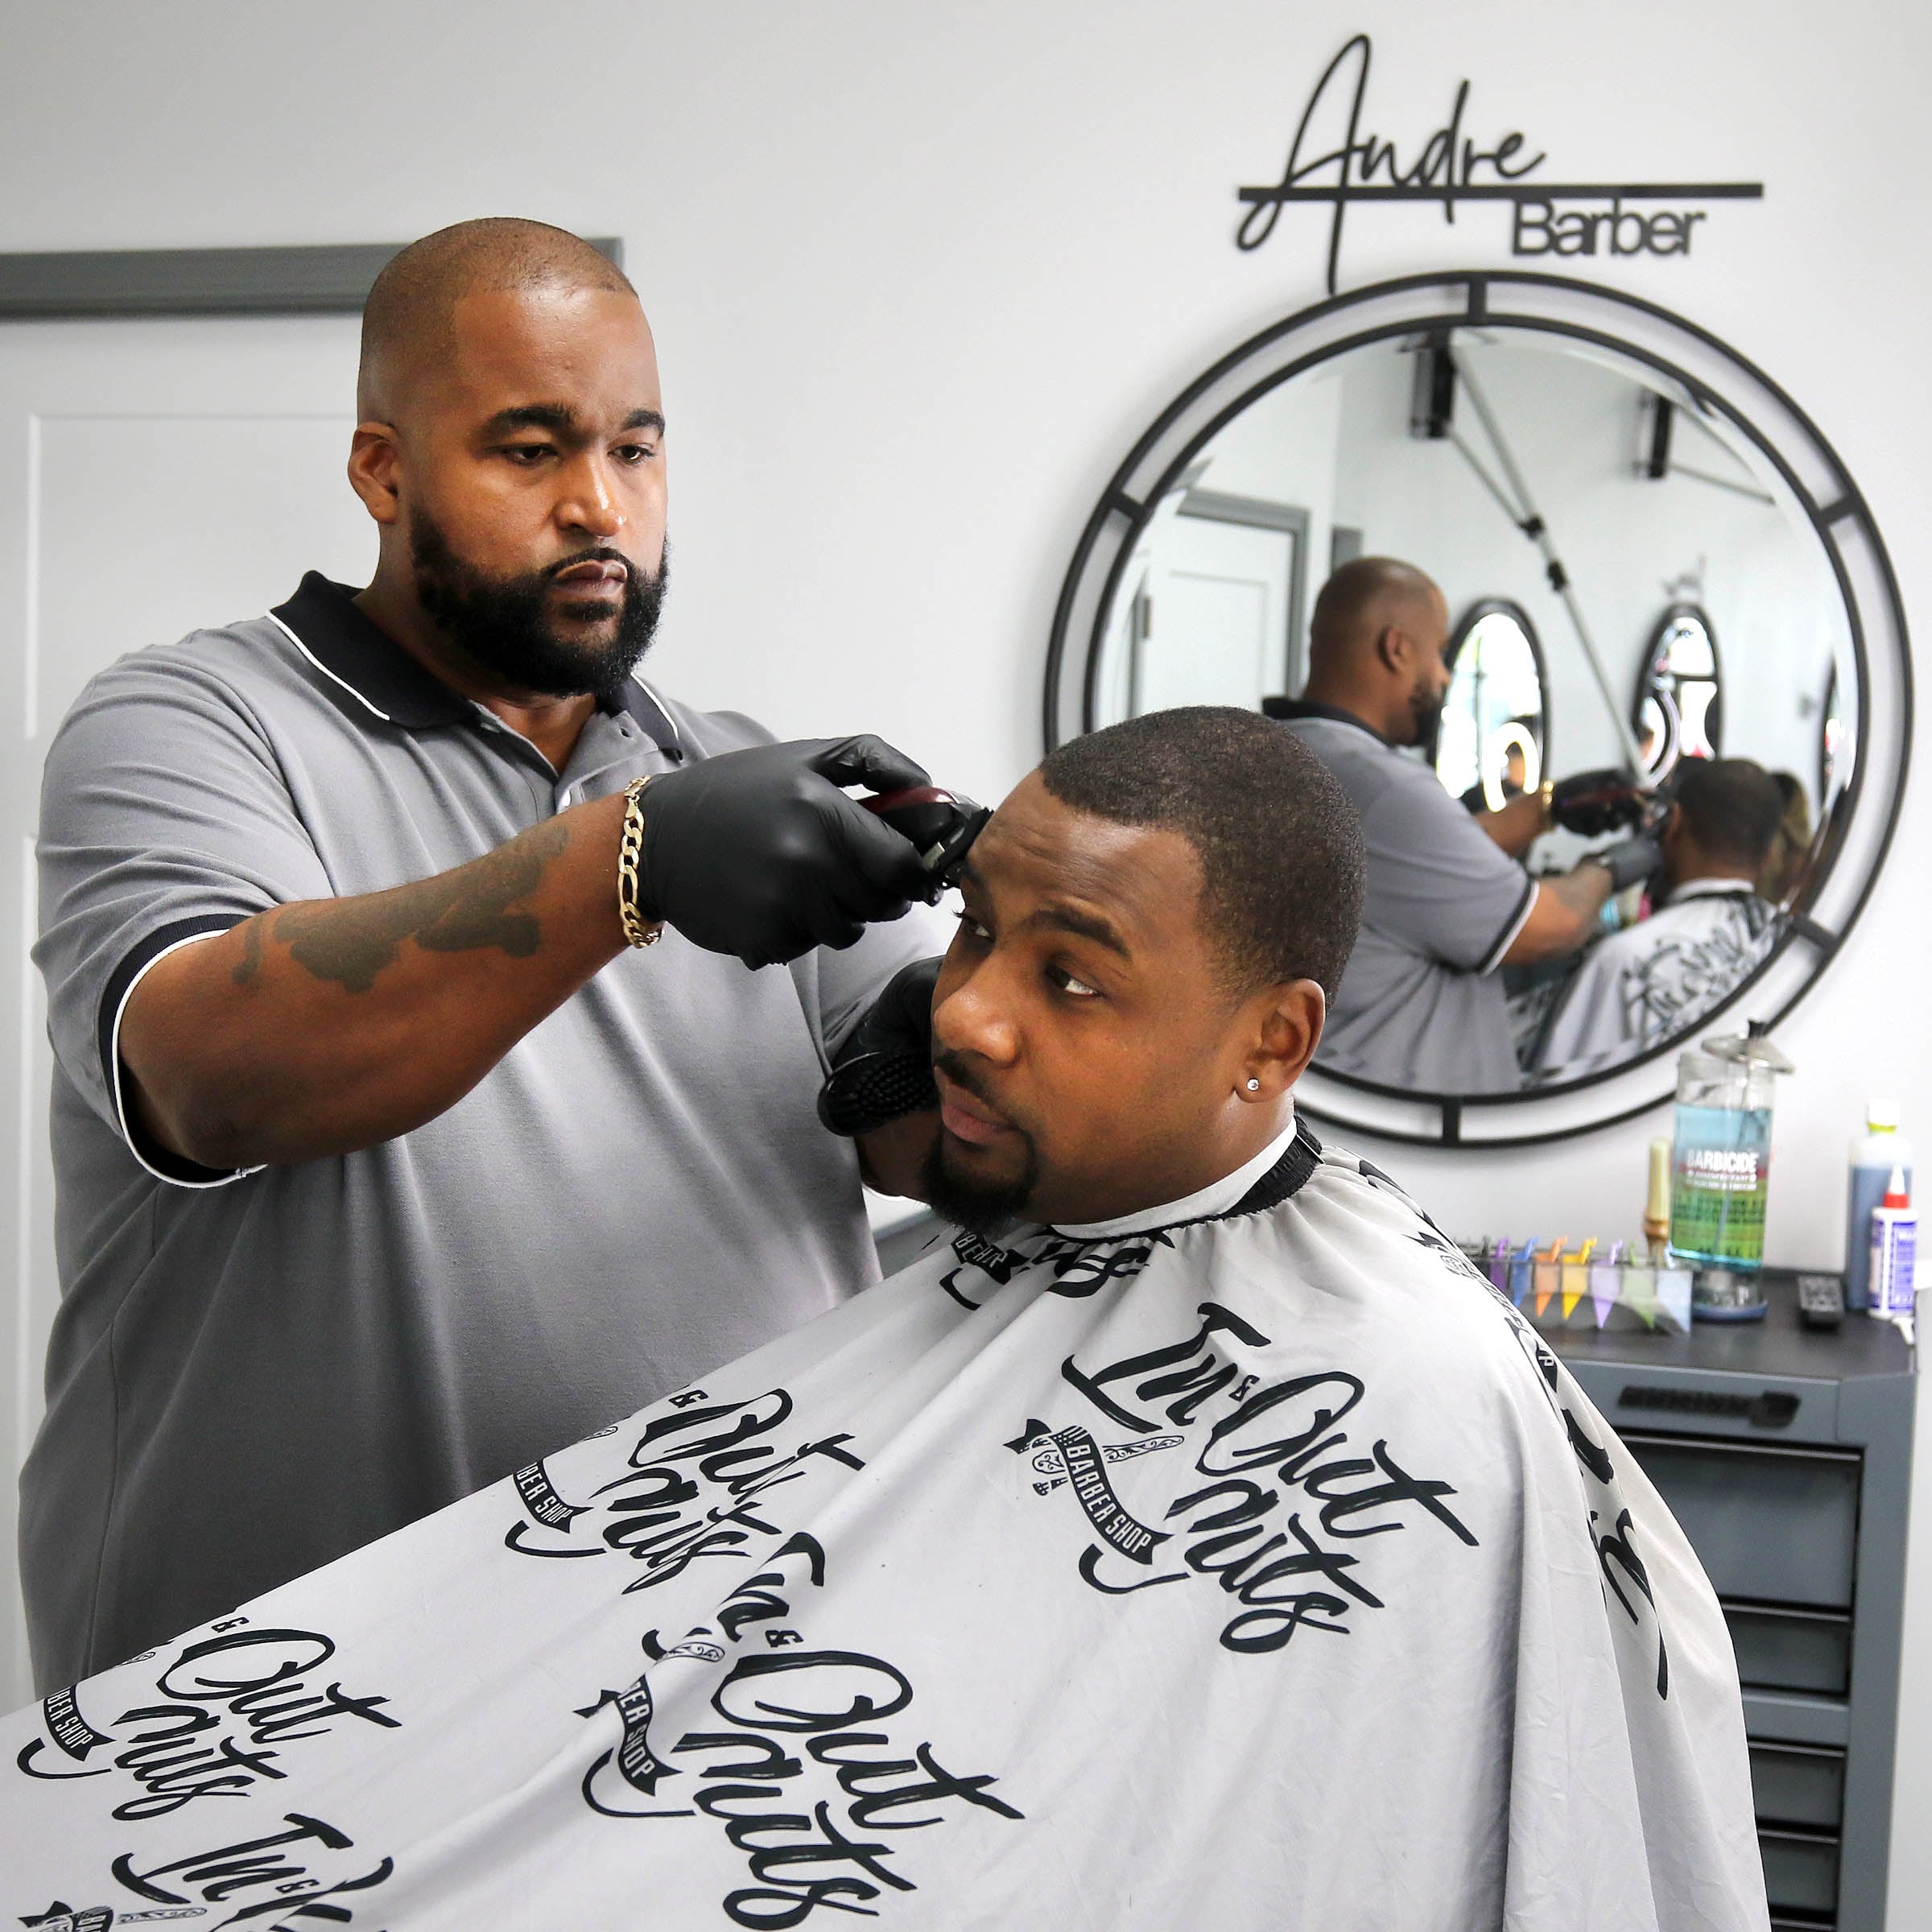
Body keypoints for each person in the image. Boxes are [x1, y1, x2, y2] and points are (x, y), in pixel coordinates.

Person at [0, 708, 1767, 1932]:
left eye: (1068, 974)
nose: (977, 1017)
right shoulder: (187, 732)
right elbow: (199, 1067)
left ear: (1275, 1042)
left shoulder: (1419, 1380)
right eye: (973, 937)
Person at [23, 219, 949, 1690]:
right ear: (382, 469)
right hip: (274, 1702)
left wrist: (1007, 986)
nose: (600, 506)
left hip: (699, 1682)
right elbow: (213, 1073)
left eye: (637, 453)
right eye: (531, 452)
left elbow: (920, 1141)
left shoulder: (730, 772)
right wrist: (627, 860)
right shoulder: (190, 724)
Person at [1265, 557, 1657, 1093]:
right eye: (1440, 652)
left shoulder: (1281, 753)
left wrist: (1548, 808)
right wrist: (1614, 866)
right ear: (1398, 648)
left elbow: (1408, 873)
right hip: (1399, 1118)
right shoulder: (1385, 787)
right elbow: (1546, 930)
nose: (1445, 675)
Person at [1535, 758, 1786, 1076]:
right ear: (1768, 855)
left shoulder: (1626, 961)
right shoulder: (1790, 947)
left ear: (1674, 823)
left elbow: (1560, 1095)